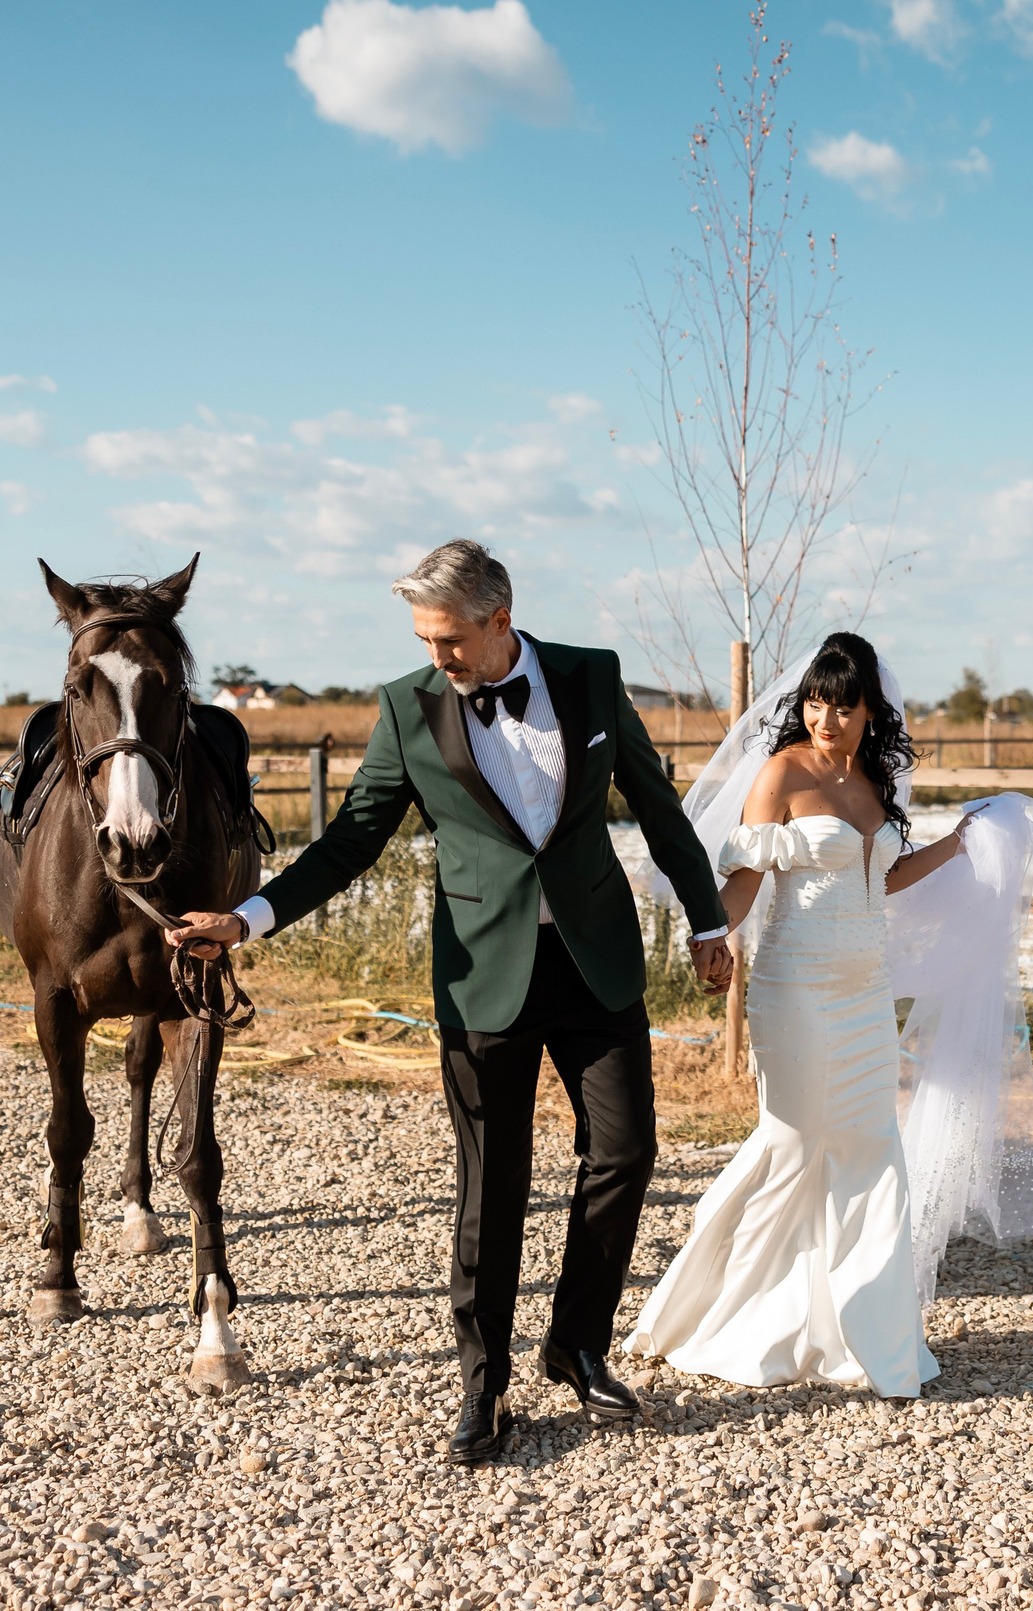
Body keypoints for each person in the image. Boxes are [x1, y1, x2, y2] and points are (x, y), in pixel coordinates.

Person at [166, 540, 735, 1465]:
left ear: (500, 619)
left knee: (627, 1152)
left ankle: (577, 1342)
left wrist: (708, 920)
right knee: (491, 1185)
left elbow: (658, 804)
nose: (438, 655)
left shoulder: (592, 680)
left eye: (451, 638)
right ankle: (486, 1382)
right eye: (425, 638)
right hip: (482, 977)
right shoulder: (407, 706)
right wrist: (248, 917)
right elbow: (353, 836)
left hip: (595, 962)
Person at [624, 631, 1033, 1396]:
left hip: (863, 995)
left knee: (868, 1150)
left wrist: (957, 845)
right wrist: (709, 936)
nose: (825, 717)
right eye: (817, 701)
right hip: (793, 987)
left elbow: (881, 879)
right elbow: (749, 878)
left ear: (868, 713)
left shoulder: (877, 785)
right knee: (791, 1142)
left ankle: (868, 1336)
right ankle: (709, 1310)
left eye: (843, 706)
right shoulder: (782, 773)